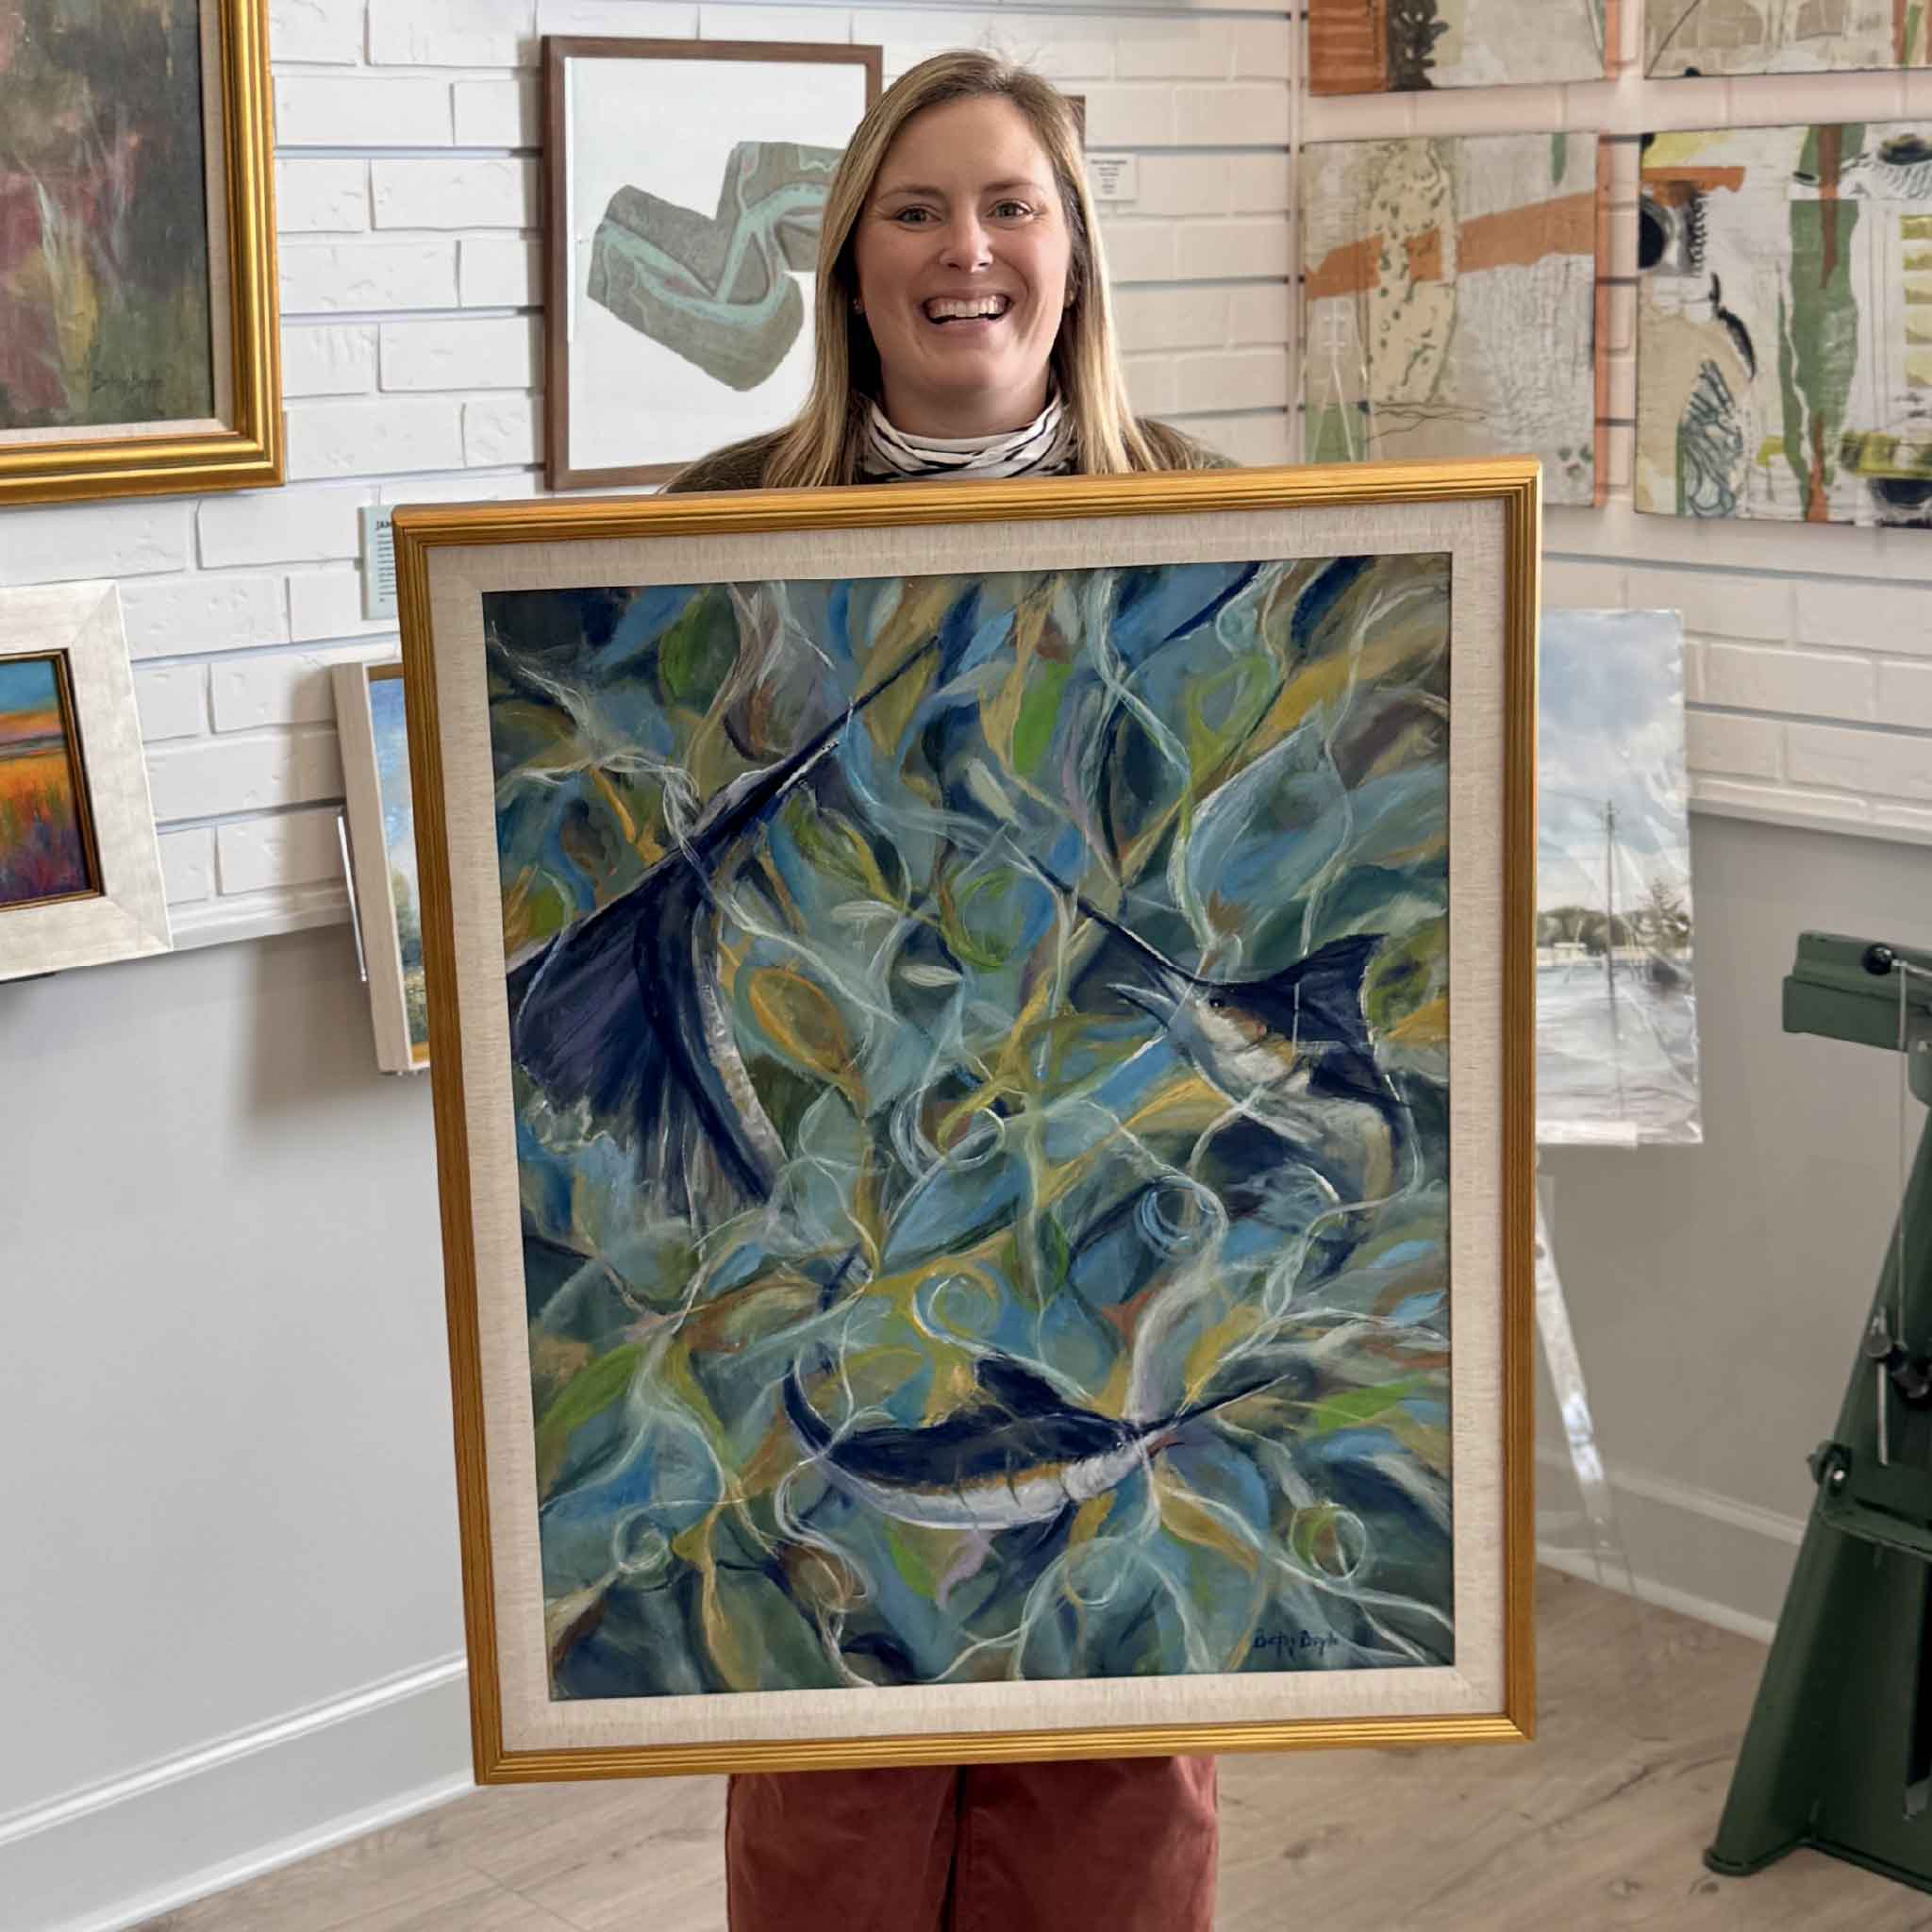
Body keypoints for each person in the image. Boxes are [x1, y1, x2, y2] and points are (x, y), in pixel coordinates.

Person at [663, 48, 1225, 1932]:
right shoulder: (717, 524)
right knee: (833, 1768)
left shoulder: (1211, 518)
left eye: (1009, 207)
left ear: (1073, 255)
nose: (964, 250)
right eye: (915, 211)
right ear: (848, 260)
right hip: (819, 1211)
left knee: (1115, 1777)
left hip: (1110, 1211)